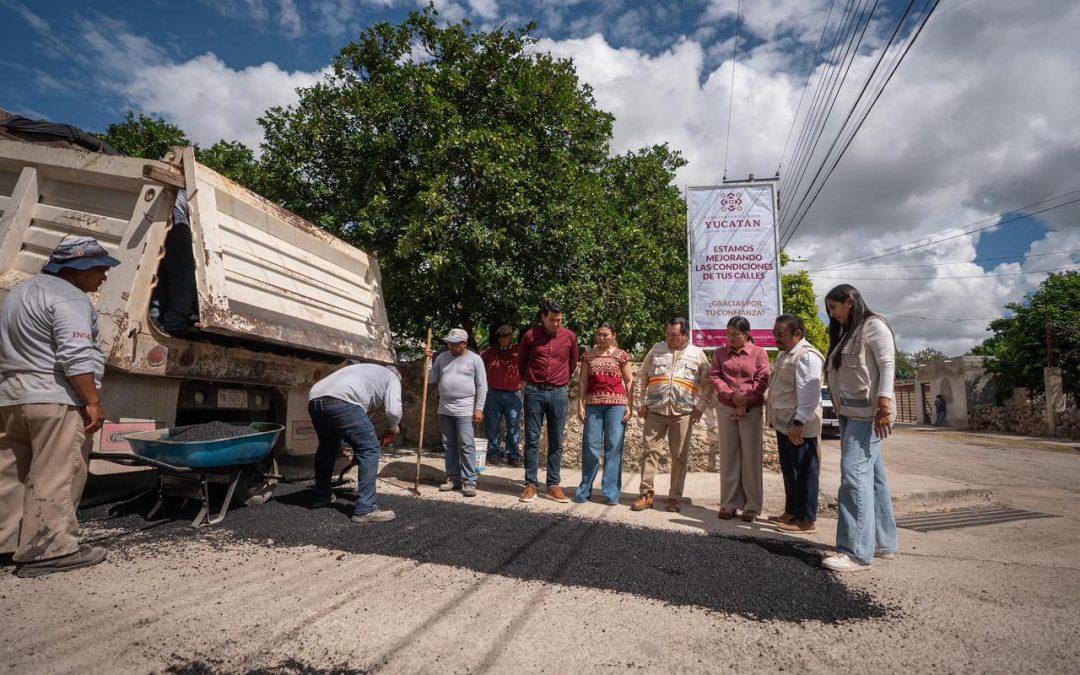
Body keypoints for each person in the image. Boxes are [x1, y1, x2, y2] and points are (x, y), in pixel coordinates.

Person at [0, 236, 120, 577]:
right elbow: (75, 355)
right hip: (54, 400)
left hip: (13, 398)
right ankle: (48, 551)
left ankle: (7, 542)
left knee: (12, 471)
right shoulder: (70, 298)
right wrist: (92, 402)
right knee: (57, 472)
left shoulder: (19, 295)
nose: (104, 276)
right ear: (77, 269)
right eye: (99, 269)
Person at [820, 284, 899, 572]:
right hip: (851, 413)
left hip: (868, 414)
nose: (832, 313)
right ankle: (882, 543)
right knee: (874, 478)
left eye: (834, 307)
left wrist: (884, 405)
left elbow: (887, 364)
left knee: (853, 474)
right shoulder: (847, 335)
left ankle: (855, 552)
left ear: (850, 301)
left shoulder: (872, 326)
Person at [632, 318, 715, 513]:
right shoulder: (656, 349)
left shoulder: (697, 354)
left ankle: (674, 498)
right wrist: (640, 403)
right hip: (655, 410)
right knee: (649, 452)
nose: (669, 337)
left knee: (679, 456)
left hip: (683, 413)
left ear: (685, 335)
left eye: (674, 335)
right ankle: (646, 494)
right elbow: (642, 376)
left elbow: (708, 384)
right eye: (667, 333)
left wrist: (700, 407)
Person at [308, 362, 402, 523]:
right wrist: (393, 427)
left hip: (315, 399)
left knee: (327, 447)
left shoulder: (366, 370)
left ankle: (321, 495)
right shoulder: (392, 377)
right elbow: (393, 410)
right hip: (343, 400)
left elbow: (358, 415)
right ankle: (366, 509)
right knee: (370, 449)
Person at [766, 314, 824, 535]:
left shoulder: (807, 356)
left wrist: (799, 422)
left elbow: (809, 393)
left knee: (805, 471)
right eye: (774, 334)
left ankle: (806, 519)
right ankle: (791, 511)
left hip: (799, 426)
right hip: (785, 425)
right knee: (790, 470)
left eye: (780, 335)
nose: (775, 339)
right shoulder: (785, 354)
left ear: (797, 334)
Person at [710, 316, 771, 522]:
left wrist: (745, 401)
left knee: (751, 457)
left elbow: (763, 378)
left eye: (735, 334)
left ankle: (752, 506)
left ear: (746, 334)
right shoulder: (719, 353)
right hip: (727, 407)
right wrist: (732, 397)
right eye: (728, 334)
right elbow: (715, 377)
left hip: (751, 409)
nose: (731, 338)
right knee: (729, 456)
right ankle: (729, 504)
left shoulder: (759, 353)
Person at [517, 300, 578, 504]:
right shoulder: (530, 336)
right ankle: (531, 484)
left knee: (556, 441)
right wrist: (532, 381)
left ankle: (553, 485)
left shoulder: (569, 337)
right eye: (552, 319)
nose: (556, 324)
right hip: (534, 391)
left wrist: (560, 381)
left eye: (559, 320)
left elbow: (572, 364)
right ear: (543, 317)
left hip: (558, 393)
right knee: (532, 439)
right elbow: (522, 363)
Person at [573, 322, 633, 505]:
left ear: (613, 335)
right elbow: (583, 381)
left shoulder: (621, 355)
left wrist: (630, 405)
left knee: (614, 447)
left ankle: (611, 493)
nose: (601, 338)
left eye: (605, 335)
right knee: (591, 448)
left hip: (616, 407)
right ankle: (584, 490)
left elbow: (629, 381)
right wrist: (580, 405)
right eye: (599, 334)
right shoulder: (589, 355)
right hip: (593, 406)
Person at [425, 328, 487, 497]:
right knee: (449, 444)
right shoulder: (442, 357)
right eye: (449, 343)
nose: (450, 346)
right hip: (445, 407)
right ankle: (453, 478)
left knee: (466, 444)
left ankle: (469, 482)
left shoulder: (475, 360)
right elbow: (430, 379)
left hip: (465, 408)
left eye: (453, 344)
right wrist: (428, 360)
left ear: (464, 343)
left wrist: (479, 408)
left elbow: (482, 385)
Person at [480, 325, 522, 467]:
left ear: (511, 336)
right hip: (494, 393)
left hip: (513, 394)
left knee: (513, 426)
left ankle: (513, 455)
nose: (502, 339)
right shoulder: (490, 352)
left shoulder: (519, 351)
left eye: (505, 336)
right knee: (492, 424)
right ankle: (493, 453)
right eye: (500, 337)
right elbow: (477, 363)